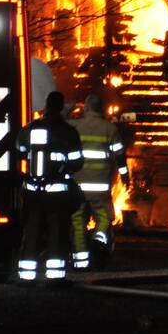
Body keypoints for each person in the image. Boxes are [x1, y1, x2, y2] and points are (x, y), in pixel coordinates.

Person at [15, 91, 83, 285]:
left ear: (46, 105)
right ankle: (55, 277)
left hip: (33, 193)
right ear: (61, 107)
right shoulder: (68, 132)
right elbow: (77, 163)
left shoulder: (29, 129)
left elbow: (19, 151)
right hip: (57, 195)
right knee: (56, 234)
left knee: (32, 232)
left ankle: (27, 276)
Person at [69, 94, 130, 270]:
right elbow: (120, 156)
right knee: (104, 217)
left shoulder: (75, 126)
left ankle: (81, 262)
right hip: (100, 186)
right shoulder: (110, 129)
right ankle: (98, 240)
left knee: (78, 222)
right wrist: (125, 176)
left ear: (86, 108)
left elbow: (60, 119)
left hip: (78, 186)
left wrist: (73, 105)